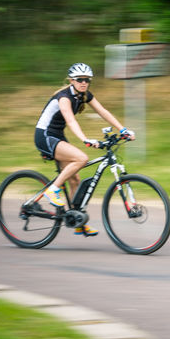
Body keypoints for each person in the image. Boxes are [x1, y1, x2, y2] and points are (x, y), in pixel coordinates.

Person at [35, 63, 135, 236]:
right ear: (71, 80)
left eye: (87, 80)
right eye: (80, 80)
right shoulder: (64, 97)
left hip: (57, 136)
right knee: (81, 159)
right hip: (44, 136)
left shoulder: (83, 95)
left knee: (75, 179)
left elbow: (103, 111)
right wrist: (85, 139)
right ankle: (52, 190)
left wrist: (123, 129)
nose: (84, 83)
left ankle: (77, 222)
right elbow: (71, 120)